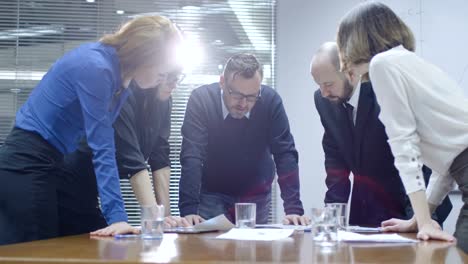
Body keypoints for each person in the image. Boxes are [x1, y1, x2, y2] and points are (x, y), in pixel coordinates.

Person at [0, 15, 181, 245]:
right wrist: (118, 217)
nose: (161, 79)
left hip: (52, 162)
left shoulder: (121, 79)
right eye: (161, 73)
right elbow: (103, 149)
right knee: (36, 249)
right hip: (26, 162)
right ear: (144, 57)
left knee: (88, 240)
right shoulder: (97, 68)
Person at [336, 1, 468, 250]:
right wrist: (420, 218)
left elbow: (404, 146)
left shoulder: (382, 65)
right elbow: (447, 164)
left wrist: (426, 221)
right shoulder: (410, 64)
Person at [311, 42, 452, 227]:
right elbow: (335, 157)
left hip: (404, 202)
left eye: (328, 84)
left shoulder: (384, 92)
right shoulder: (324, 101)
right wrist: (332, 216)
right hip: (362, 211)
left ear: (350, 73)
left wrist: (421, 220)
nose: (323, 93)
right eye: (319, 85)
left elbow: (415, 156)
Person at [56, 68, 189, 236]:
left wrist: (166, 217)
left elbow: (160, 157)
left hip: (91, 190)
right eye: (169, 76)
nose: (174, 84)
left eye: (178, 77)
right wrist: (155, 219)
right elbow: (132, 160)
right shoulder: (122, 94)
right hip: (65, 182)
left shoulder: (164, 101)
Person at [179, 53, 307, 226]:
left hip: (255, 194)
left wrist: (293, 210)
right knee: (210, 249)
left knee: (252, 251)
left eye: (252, 96)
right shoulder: (201, 100)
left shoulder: (270, 101)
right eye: (237, 95)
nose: (244, 104)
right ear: (222, 82)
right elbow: (192, 156)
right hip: (212, 193)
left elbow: (285, 153)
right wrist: (189, 211)